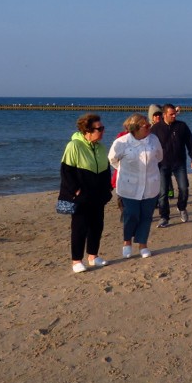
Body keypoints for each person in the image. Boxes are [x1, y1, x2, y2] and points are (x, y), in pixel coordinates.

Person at [59, 113, 113, 273]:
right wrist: (76, 190)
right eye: (99, 129)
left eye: (103, 128)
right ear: (87, 130)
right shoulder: (74, 146)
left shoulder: (101, 147)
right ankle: (76, 261)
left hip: (98, 195)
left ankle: (93, 256)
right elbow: (66, 172)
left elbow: (106, 170)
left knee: (97, 226)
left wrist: (107, 189)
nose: (103, 131)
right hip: (81, 196)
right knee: (79, 227)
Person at [108, 113, 163, 259]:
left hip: (150, 185)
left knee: (146, 216)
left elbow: (159, 156)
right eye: (146, 126)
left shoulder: (154, 140)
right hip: (129, 187)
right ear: (136, 128)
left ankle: (143, 245)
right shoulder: (122, 142)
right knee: (131, 214)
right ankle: (127, 242)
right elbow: (112, 159)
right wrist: (125, 170)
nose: (149, 128)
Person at [150, 103, 192, 227]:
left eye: (175, 114)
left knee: (183, 188)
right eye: (171, 114)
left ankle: (182, 208)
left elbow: (190, 142)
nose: (174, 116)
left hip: (179, 163)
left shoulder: (182, 126)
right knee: (163, 193)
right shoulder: (155, 129)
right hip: (162, 164)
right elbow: (149, 146)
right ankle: (164, 217)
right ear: (164, 114)